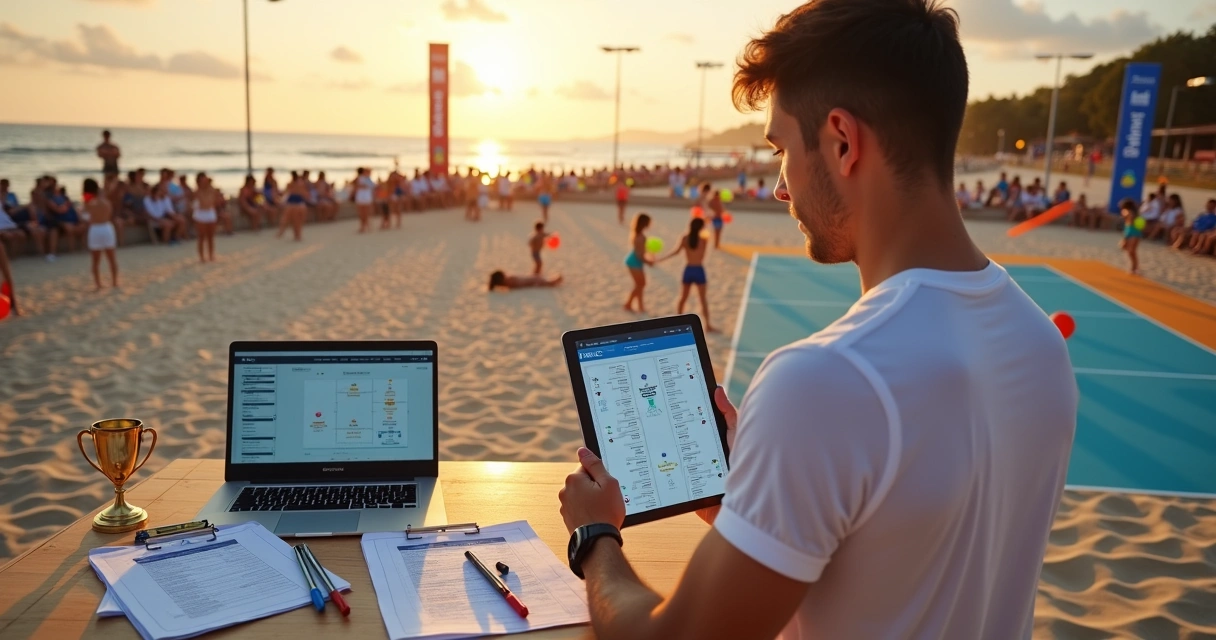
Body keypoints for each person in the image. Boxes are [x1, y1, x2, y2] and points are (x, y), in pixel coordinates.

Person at [556, 2, 1077, 638]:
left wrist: (595, 535)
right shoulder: (1039, 343)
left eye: (781, 149)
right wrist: (757, 501)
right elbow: (907, 561)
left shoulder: (826, 379)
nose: (781, 187)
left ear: (842, 142)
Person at [658, 216, 715, 331]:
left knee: (683, 298)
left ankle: (678, 323)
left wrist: (660, 259)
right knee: (702, 299)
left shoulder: (685, 238)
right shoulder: (704, 240)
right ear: (702, 227)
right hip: (699, 270)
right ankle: (707, 325)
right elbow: (708, 232)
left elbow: (675, 252)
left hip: (688, 270)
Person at [82, 178, 118, 290]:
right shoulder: (103, 196)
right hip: (107, 227)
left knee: (95, 260)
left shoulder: (88, 199)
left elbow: (85, 213)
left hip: (95, 229)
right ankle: (114, 282)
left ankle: (98, 284)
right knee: (111, 258)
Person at [622, 212, 653, 313]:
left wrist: (649, 258)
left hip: (635, 261)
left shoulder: (638, 234)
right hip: (634, 262)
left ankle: (637, 305)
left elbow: (641, 252)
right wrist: (648, 262)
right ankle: (630, 304)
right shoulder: (641, 237)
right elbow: (640, 255)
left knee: (640, 285)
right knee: (640, 284)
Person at [193, 173, 221, 262]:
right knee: (201, 236)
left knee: (211, 236)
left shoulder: (212, 190)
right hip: (201, 214)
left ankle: (211, 255)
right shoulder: (197, 191)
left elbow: (216, 200)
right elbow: (201, 202)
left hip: (210, 212)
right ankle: (201, 257)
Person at [279, 171, 308, 241]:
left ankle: (294, 234)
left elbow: (286, 193)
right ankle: (297, 235)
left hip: (294, 203)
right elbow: (305, 194)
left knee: (293, 220)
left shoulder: (292, 184)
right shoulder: (300, 184)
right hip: (298, 203)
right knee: (297, 221)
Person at [1120, 199, 1142, 274]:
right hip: (1128, 230)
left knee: (1131, 251)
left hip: (1134, 232)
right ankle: (1134, 266)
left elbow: (1137, 223)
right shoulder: (1130, 212)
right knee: (1130, 251)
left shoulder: (1132, 213)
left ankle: (1134, 267)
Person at [487, 270, 563, 291]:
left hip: (531, 280)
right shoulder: (509, 282)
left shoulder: (508, 282)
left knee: (546, 282)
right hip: (531, 281)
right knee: (547, 283)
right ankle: (557, 279)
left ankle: (556, 279)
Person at [353, 167, 375, 233]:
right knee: (362, 213)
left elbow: (371, 187)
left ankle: (366, 226)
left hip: (366, 196)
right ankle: (363, 226)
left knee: (366, 213)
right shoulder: (359, 178)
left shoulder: (368, 179)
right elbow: (356, 186)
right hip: (361, 196)